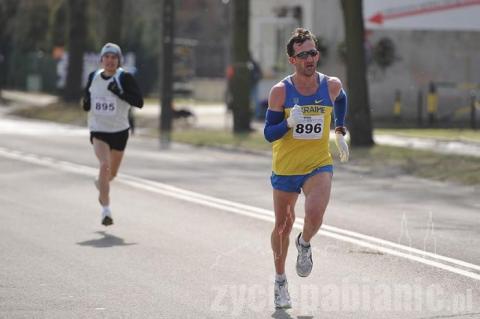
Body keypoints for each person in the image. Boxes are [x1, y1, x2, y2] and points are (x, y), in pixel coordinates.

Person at [263, 28, 349, 309]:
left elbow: (342, 99)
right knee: (281, 226)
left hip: (317, 164)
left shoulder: (330, 85)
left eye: (313, 52)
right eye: (303, 55)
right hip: (287, 167)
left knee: (315, 213)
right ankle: (279, 281)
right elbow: (268, 133)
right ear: (292, 60)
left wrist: (339, 129)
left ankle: (305, 242)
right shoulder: (280, 91)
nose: (310, 58)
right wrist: (287, 123)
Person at [82, 42, 143, 226]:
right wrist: (86, 102)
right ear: (101, 60)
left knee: (112, 174)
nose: (110, 61)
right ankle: (106, 211)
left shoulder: (124, 78)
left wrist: (120, 93)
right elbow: (88, 99)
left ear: (119, 60)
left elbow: (139, 102)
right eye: (106, 57)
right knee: (104, 166)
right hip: (99, 130)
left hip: (119, 131)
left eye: (114, 57)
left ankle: (101, 184)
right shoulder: (93, 76)